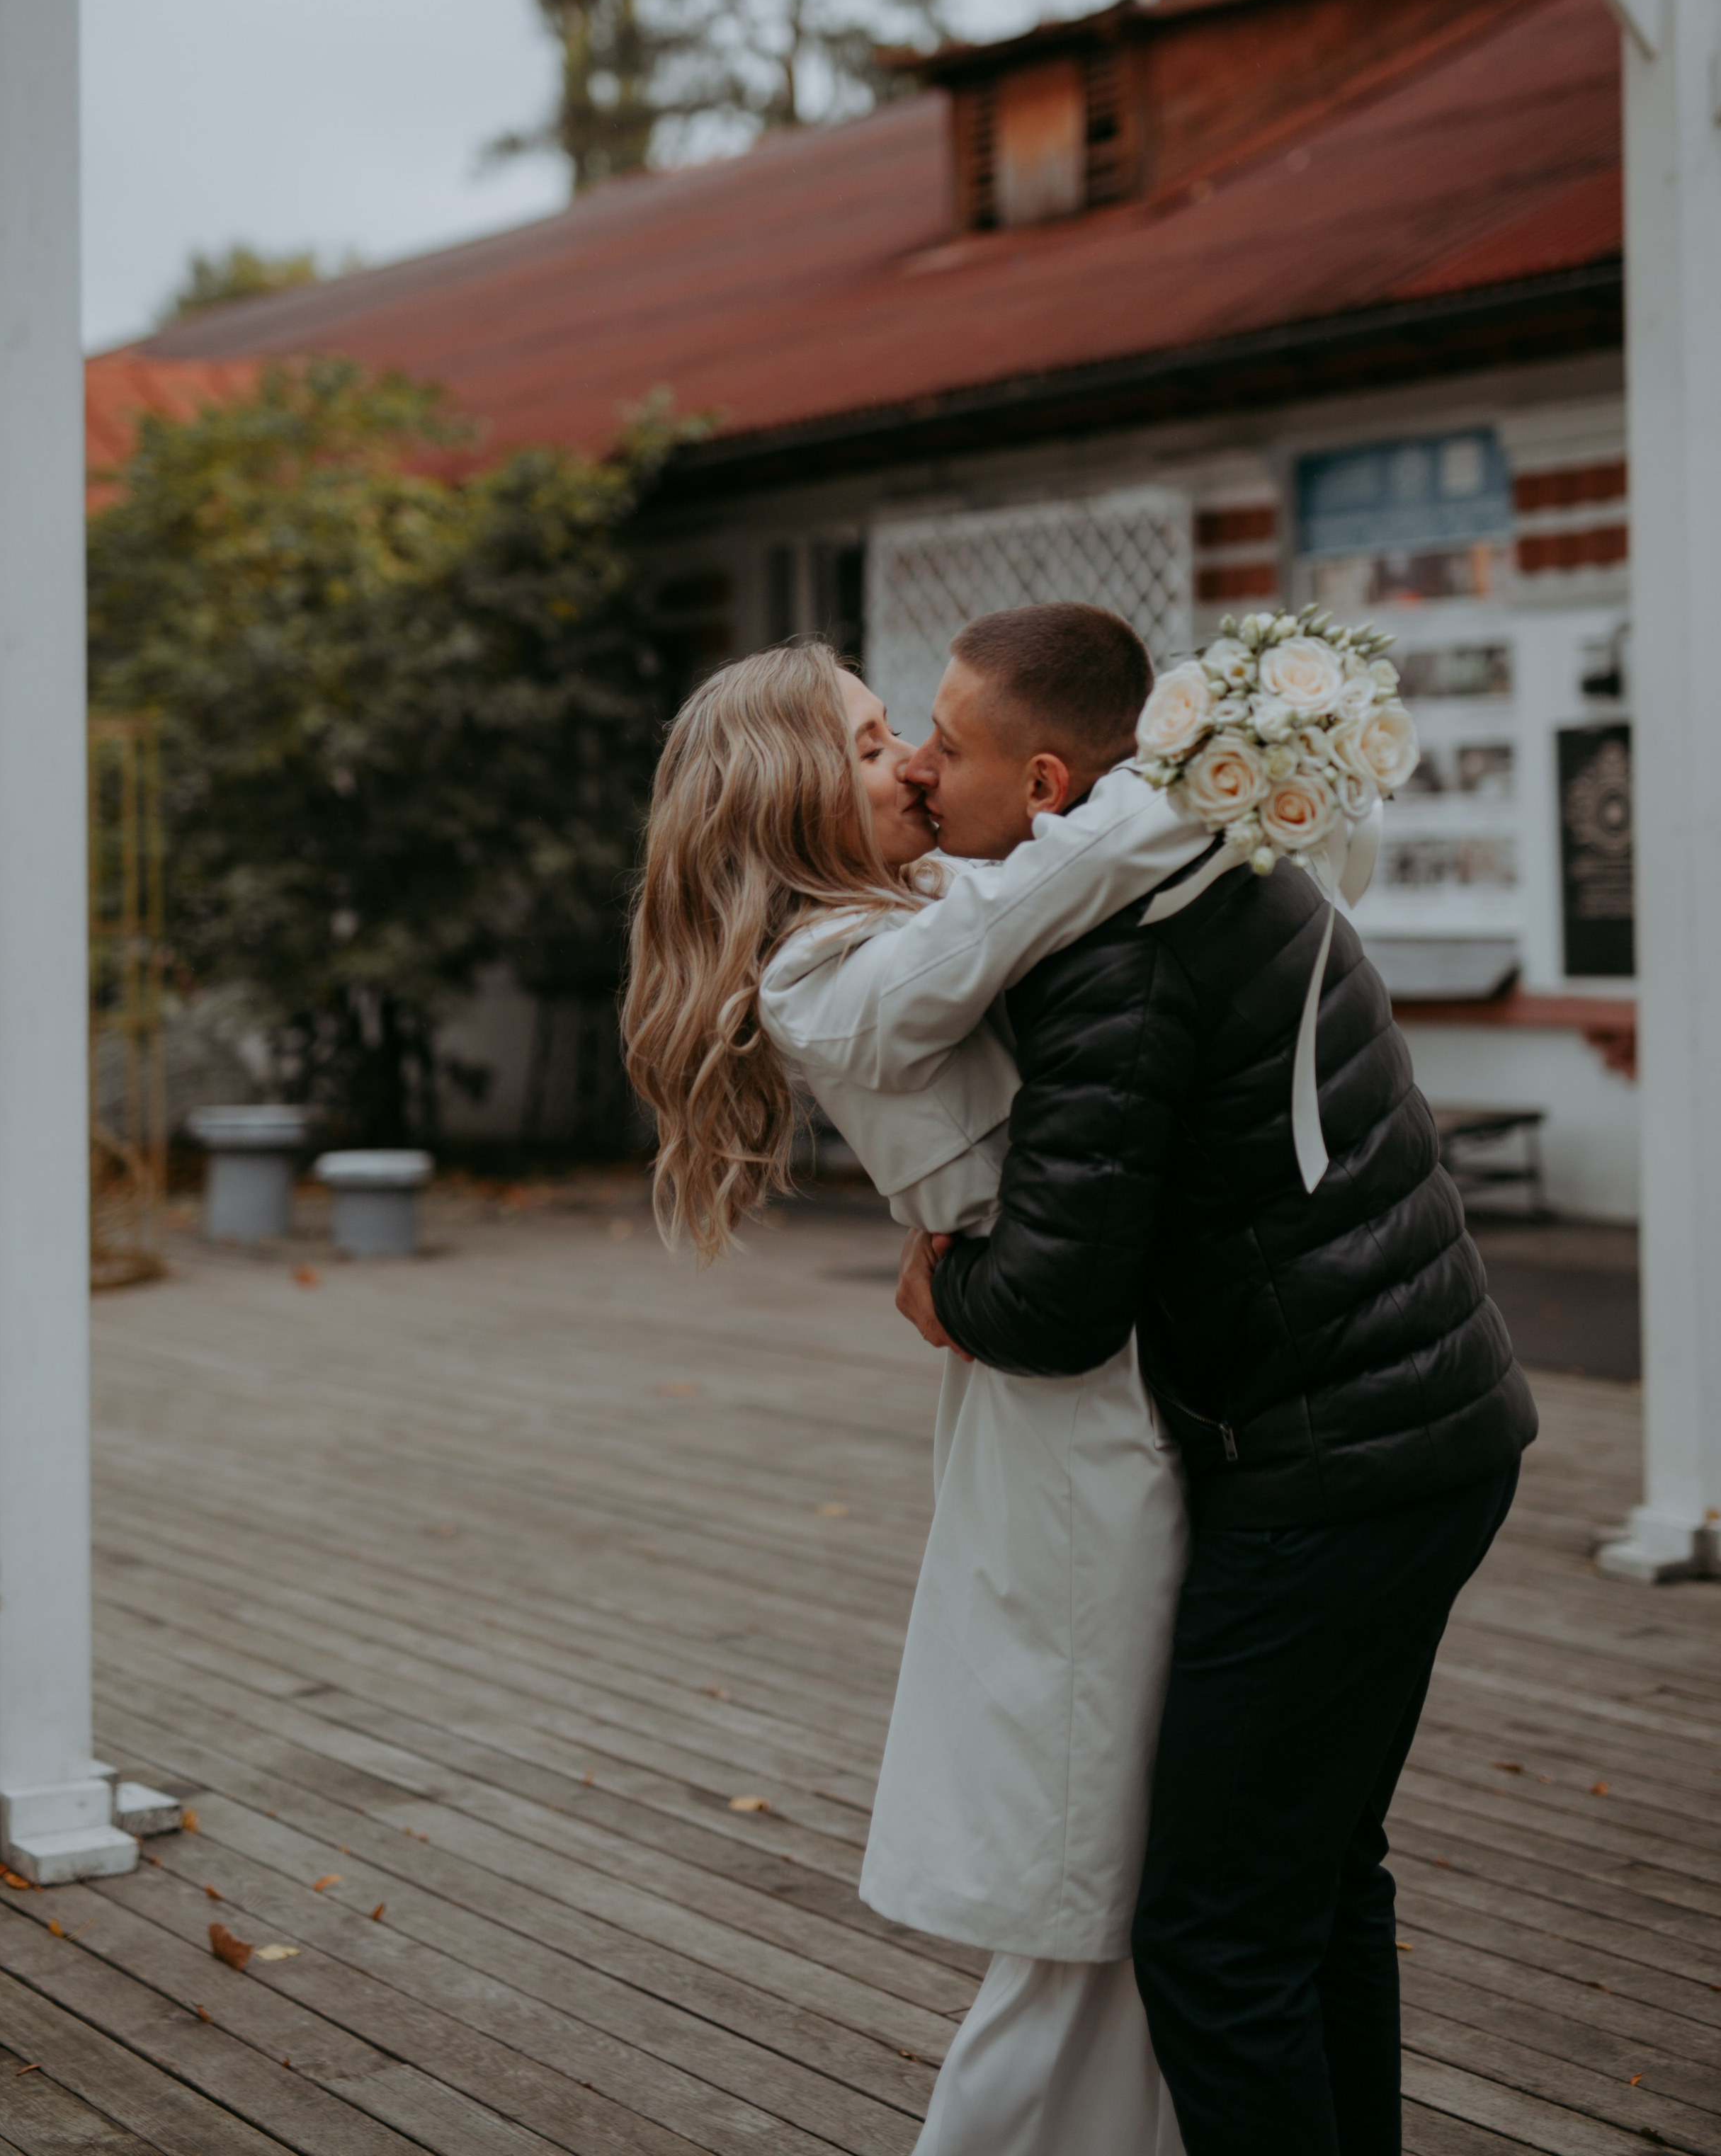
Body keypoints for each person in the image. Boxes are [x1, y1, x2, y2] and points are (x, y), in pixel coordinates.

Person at [897, 605, 1538, 2156]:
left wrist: (940, 1284)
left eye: (943, 745)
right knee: (1317, 1882)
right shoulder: (1196, 853)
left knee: (1209, 1936)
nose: (917, 775)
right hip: (1431, 1423)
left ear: (1043, 783)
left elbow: (1052, 1301)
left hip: (1339, 1462)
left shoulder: (1112, 955)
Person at [623, 622, 1215, 2154]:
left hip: (1091, 1381)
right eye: (875, 738)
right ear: (783, 790)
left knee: (1138, 1855)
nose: (912, 764)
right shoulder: (830, 975)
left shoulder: (911, 906)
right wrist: (1224, 761)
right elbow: (1054, 885)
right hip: (1069, 1424)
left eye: (909, 735)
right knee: (1097, 1861)